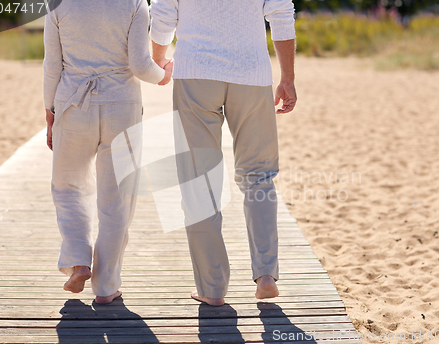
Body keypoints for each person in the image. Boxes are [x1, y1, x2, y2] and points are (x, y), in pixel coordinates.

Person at [149, 0, 297, 306]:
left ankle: (212, 287)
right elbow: (281, 13)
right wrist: (288, 78)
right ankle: (266, 274)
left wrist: (158, 60)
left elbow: (163, 15)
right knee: (259, 176)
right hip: (251, 75)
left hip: (195, 74)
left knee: (198, 180)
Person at [43, 0, 172, 304]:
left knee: (67, 186)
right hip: (121, 105)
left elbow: (52, 65)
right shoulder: (135, 4)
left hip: (73, 104)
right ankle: (105, 287)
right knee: (117, 198)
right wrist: (163, 75)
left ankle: (78, 261)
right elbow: (140, 65)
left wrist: (50, 110)